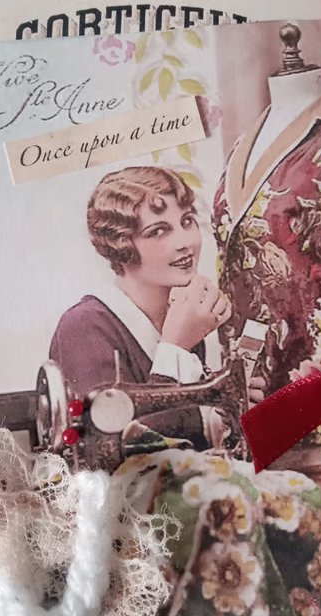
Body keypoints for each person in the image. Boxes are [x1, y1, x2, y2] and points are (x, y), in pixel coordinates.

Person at [50, 166, 234, 451]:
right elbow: (118, 456)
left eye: (187, 221)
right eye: (158, 231)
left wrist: (225, 412)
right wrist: (176, 348)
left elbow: (190, 439)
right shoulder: (84, 328)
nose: (185, 242)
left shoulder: (181, 314)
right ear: (120, 244)